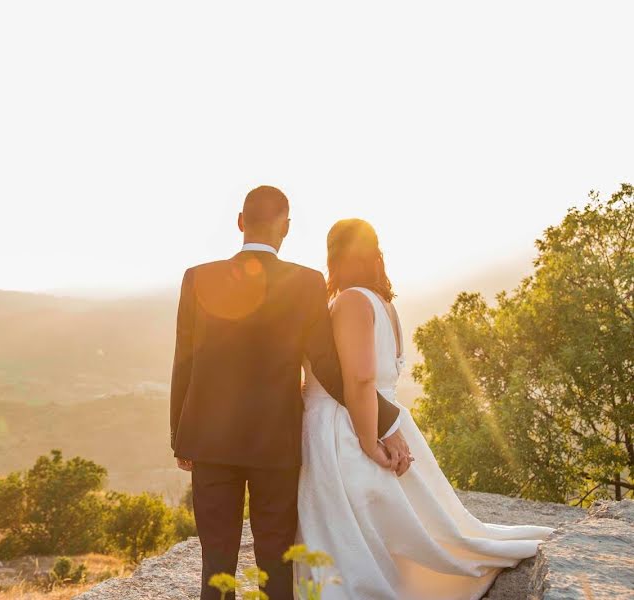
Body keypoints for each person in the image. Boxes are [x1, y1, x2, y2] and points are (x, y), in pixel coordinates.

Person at [169, 186, 407, 600]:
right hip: (275, 445)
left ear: (241, 222)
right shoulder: (306, 283)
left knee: (217, 563)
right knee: (277, 559)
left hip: (208, 441)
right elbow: (330, 368)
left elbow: (183, 363)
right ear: (287, 227)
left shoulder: (197, 277)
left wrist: (180, 437)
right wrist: (386, 419)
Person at [297, 218, 553, 599]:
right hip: (378, 415)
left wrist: (371, 440)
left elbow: (361, 379)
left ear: (334, 255)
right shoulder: (384, 304)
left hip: (346, 426)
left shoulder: (351, 300)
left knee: (343, 532)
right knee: (382, 526)